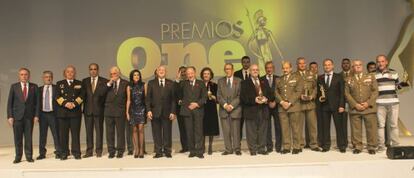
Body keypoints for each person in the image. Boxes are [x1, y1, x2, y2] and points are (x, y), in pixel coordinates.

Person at [344, 59, 378, 154]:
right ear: (352, 67)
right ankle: (358, 146)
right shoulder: (348, 79)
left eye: (359, 65)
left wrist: (368, 103)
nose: (358, 66)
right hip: (355, 109)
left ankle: (371, 146)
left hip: (369, 108)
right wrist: (355, 105)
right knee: (356, 129)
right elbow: (347, 94)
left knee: (371, 128)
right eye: (355, 65)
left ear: (362, 66)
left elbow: (375, 91)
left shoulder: (370, 77)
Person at [7, 68, 39, 163]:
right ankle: (18, 156)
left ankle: (29, 156)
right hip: (17, 117)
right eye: (22, 74)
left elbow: (37, 103)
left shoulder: (34, 86)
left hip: (29, 117)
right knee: (18, 138)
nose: (24, 76)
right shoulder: (14, 86)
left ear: (28, 75)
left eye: (25, 74)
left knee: (28, 137)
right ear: (19, 76)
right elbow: (10, 103)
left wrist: (36, 115)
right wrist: (10, 116)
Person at [241, 64, 273, 156]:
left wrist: (267, 98)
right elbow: (243, 98)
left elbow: (271, 94)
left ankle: (261, 148)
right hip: (251, 110)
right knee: (251, 131)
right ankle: (253, 149)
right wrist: (254, 100)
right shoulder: (244, 83)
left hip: (263, 109)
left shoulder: (264, 81)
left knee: (263, 130)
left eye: (257, 70)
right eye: (253, 70)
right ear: (250, 71)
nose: (255, 71)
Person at [317, 59, 347, 153]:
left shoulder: (339, 77)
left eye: (329, 65)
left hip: (337, 106)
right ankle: (326, 145)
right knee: (325, 127)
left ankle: (341, 145)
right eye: (325, 65)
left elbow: (342, 93)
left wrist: (342, 105)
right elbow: (318, 93)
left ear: (333, 66)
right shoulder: (320, 78)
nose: (327, 66)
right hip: (324, 106)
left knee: (339, 127)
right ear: (323, 66)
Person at [146, 66, 176, 158]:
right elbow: (148, 99)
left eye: (163, 70)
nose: (161, 71)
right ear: (156, 72)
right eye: (160, 70)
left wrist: (173, 112)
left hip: (167, 112)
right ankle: (158, 152)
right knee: (156, 133)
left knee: (167, 132)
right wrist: (149, 110)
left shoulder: (170, 83)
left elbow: (173, 99)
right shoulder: (151, 83)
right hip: (155, 112)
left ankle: (167, 151)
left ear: (165, 72)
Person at [275, 61, 304, 154]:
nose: (285, 70)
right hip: (282, 107)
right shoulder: (279, 79)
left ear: (291, 68)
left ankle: (296, 146)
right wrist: (282, 102)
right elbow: (276, 92)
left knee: (295, 128)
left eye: (287, 68)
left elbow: (298, 91)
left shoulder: (297, 78)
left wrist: (290, 102)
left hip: (294, 106)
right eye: (283, 68)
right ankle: (287, 147)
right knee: (285, 128)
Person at [178, 66, 207, 158]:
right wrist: (177, 79)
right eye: (188, 73)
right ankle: (192, 151)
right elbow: (176, 91)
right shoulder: (183, 84)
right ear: (186, 74)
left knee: (199, 131)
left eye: (191, 73)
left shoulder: (201, 83)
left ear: (195, 73)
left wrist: (197, 104)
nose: (190, 75)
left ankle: (200, 151)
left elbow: (204, 97)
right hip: (187, 111)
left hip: (198, 110)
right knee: (189, 131)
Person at [81, 63, 109, 158]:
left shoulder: (104, 81)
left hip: (99, 110)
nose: (93, 71)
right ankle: (89, 151)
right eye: (91, 69)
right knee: (89, 132)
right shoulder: (84, 81)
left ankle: (99, 151)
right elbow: (82, 96)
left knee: (99, 131)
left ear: (98, 70)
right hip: (88, 111)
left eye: (95, 69)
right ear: (89, 70)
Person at [56, 65, 83, 160]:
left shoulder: (79, 83)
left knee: (75, 134)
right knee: (63, 134)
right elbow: (57, 97)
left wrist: (74, 103)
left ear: (74, 73)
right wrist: (65, 103)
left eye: (72, 71)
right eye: (68, 71)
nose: (70, 73)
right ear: (65, 73)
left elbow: (82, 96)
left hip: (75, 112)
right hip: (63, 113)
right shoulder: (59, 84)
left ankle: (76, 152)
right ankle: (64, 153)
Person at [375, 55, 401, 151]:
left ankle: (395, 146)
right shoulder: (373, 74)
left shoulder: (394, 72)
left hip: (393, 102)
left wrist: (403, 85)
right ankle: (381, 146)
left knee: (394, 125)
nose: (380, 63)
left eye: (382, 61)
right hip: (379, 102)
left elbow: (397, 87)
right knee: (380, 125)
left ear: (386, 62)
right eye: (378, 61)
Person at [295, 58, 321, 152]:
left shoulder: (311, 74)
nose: (302, 65)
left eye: (303, 63)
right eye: (300, 63)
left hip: (310, 103)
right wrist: (299, 96)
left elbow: (315, 88)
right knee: (298, 126)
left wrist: (312, 96)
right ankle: (300, 144)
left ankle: (314, 144)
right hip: (299, 104)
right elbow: (293, 90)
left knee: (312, 125)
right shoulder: (294, 75)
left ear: (305, 64)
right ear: (297, 65)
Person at [217, 63, 242, 156]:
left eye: (229, 69)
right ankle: (228, 149)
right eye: (226, 69)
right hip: (224, 110)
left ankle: (237, 149)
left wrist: (231, 106)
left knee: (236, 131)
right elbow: (218, 96)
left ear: (233, 70)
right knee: (226, 131)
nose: (227, 70)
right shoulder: (220, 81)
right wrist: (225, 105)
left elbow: (240, 96)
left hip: (235, 110)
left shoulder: (239, 81)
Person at [105, 66, 129, 158]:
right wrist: (109, 83)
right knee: (109, 133)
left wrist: (127, 111)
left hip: (120, 111)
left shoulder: (125, 83)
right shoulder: (107, 84)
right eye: (111, 74)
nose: (113, 75)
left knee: (120, 133)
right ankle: (111, 151)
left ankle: (120, 150)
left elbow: (128, 99)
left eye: (114, 73)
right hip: (108, 112)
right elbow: (101, 94)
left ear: (119, 73)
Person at [37, 71, 61, 160]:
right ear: (43, 78)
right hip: (42, 115)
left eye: (50, 76)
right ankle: (42, 153)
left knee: (56, 134)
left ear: (52, 78)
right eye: (46, 77)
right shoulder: (39, 89)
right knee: (42, 135)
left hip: (53, 114)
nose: (48, 78)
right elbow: (36, 103)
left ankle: (58, 152)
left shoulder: (57, 88)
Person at [260, 61, 282, 153]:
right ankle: (269, 146)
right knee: (267, 127)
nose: (269, 69)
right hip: (266, 106)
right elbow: (260, 93)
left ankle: (278, 146)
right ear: (265, 69)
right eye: (267, 68)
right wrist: (268, 102)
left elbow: (281, 93)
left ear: (273, 68)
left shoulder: (279, 78)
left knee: (278, 127)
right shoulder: (261, 79)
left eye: (271, 67)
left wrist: (275, 102)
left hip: (277, 106)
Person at [126, 69, 147, 158]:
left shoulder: (144, 85)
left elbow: (146, 99)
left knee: (141, 130)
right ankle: (136, 149)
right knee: (134, 130)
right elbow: (128, 100)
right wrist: (127, 112)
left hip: (142, 109)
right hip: (133, 110)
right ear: (132, 76)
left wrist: (147, 110)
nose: (136, 76)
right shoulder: (129, 87)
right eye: (134, 75)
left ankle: (141, 150)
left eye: (138, 75)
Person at [200, 67, 219, 155]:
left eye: (208, 74)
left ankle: (210, 146)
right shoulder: (199, 84)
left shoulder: (214, 85)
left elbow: (219, 99)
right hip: (201, 108)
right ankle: (203, 146)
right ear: (202, 75)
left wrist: (213, 97)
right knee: (202, 128)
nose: (206, 75)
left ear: (210, 75)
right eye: (204, 74)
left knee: (211, 128)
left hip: (211, 109)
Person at [234, 56, 251, 139]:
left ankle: (252, 144)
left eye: (248, 62)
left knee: (251, 126)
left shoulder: (254, 73)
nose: (246, 64)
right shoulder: (236, 74)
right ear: (241, 63)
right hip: (239, 104)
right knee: (238, 126)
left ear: (250, 63)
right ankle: (238, 145)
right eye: (244, 62)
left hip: (250, 105)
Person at [174, 66, 188, 153]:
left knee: (190, 129)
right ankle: (185, 147)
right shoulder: (176, 83)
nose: (183, 73)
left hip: (190, 108)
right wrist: (177, 79)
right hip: (179, 110)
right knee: (182, 129)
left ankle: (192, 146)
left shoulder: (190, 81)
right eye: (181, 72)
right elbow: (173, 92)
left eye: (184, 71)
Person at [340, 58, 352, 148]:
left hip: (353, 102)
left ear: (350, 64)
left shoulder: (355, 74)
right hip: (342, 102)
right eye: (344, 63)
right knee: (343, 124)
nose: (346, 65)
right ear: (341, 65)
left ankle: (355, 142)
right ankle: (344, 142)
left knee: (355, 123)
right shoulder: (338, 76)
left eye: (347, 63)